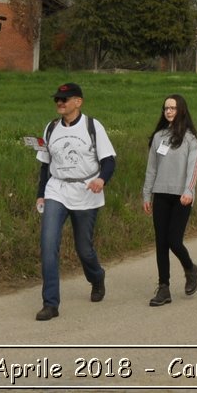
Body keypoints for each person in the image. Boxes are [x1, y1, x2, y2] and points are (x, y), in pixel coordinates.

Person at [34, 82, 116, 321]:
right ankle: (50, 303)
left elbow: (109, 161)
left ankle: (96, 276)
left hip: (86, 191)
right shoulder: (50, 128)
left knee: (84, 248)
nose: (60, 103)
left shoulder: (93, 126)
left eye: (65, 99)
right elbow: (45, 165)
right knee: (48, 245)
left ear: (78, 102)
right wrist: (41, 193)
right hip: (57, 189)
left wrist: (101, 180)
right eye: (57, 99)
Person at [142, 93, 197, 307]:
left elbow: (193, 167)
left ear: (181, 110)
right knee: (161, 242)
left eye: (173, 108)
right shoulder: (158, 137)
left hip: (181, 197)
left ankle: (190, 268)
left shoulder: (190, 138)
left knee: (174, 240)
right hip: (160, 194)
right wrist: (146, 193)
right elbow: (152, 168)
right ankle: (164, 287)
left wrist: (188, 190)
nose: (168, 111)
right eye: (166, 108)